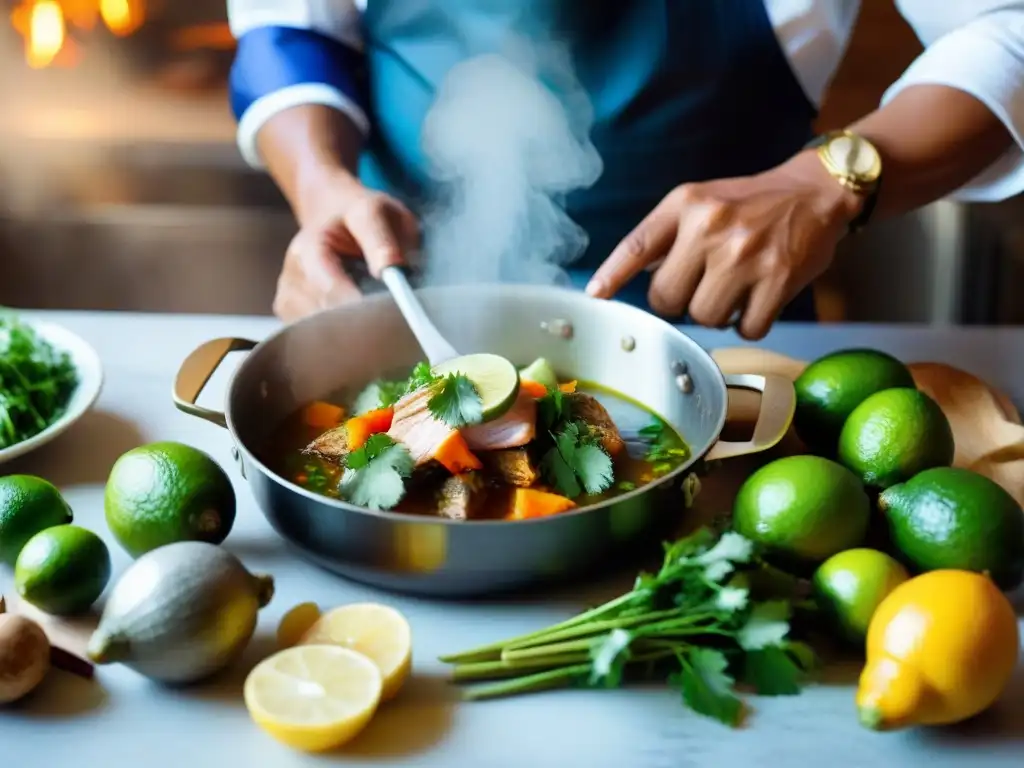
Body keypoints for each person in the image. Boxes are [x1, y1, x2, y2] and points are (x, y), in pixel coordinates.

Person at [226, 1, 1024, 339]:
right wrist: (323, 183)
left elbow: (1008, 27)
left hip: (729, 340)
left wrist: (827, 183)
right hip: (397, 321)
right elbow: (289, 23)